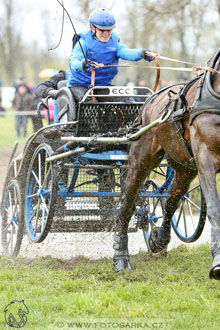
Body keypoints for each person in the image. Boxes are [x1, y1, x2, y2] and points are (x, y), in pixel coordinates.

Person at [67, 8, 154, 105]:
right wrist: (82, 64)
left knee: (127, 102)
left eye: (109, 30)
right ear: (92, 28)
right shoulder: (82, 42)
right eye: (102, 30)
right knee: (89, 106)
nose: (106, 34)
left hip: (103, 86)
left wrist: (142, 53)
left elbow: (126, 52)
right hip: (79, 85)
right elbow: (74, 61)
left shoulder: (114, 42)